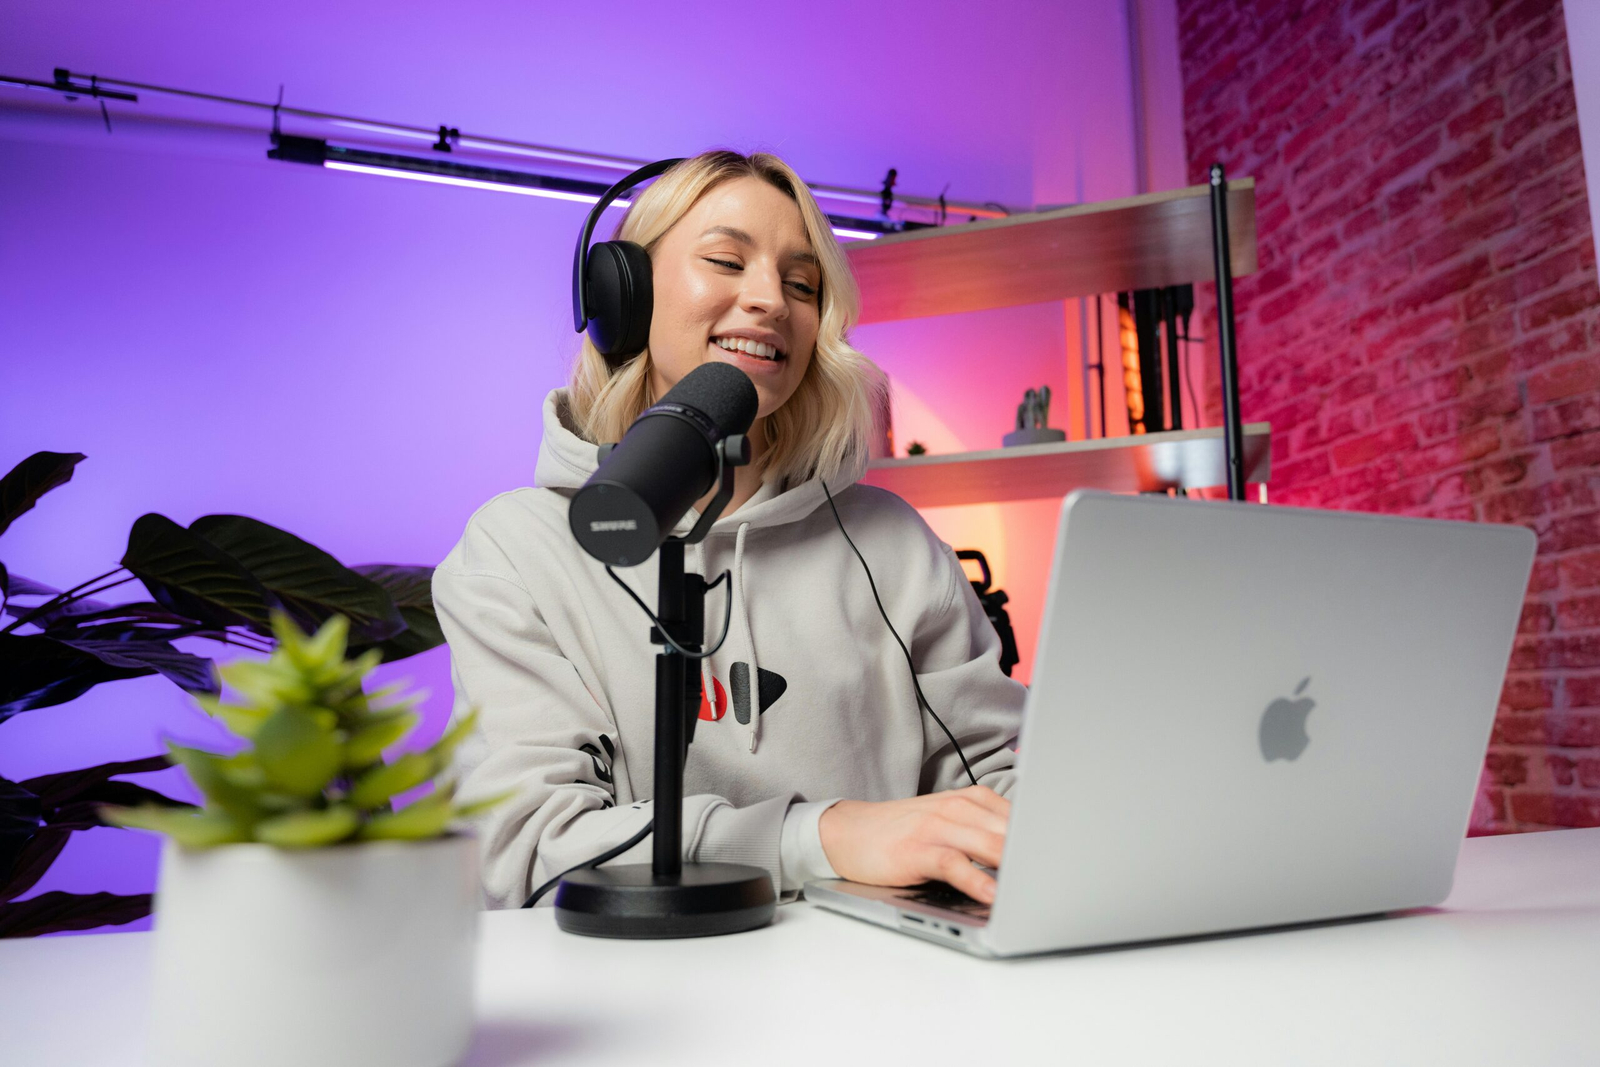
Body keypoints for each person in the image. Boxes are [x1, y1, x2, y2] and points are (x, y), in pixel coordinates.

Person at [433, 150, 1023, 910]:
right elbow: (527, 851)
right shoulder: (516, 551)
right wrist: (823, 837)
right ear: (624, 293)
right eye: (725, 260)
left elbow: (996, 784)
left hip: (885, 992)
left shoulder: (893, 546)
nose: (771, 300)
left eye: (802, 283)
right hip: (639, 996)